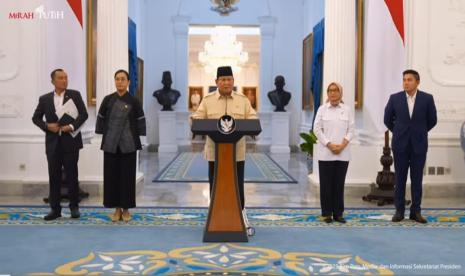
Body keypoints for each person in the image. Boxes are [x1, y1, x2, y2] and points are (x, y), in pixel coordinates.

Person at [191, 66, 257, 220]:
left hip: (237, 154)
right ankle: (215, 218)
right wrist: (195, 121)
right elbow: (198, 119)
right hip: (215, 154)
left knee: (237, 186)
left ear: (233, 81)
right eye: (223, 80)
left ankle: (240, 218)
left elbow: (253, 119)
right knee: (215, 186)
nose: (226, 83)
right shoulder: (207, 101)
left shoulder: (243, 100)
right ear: (216, 82)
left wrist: (249, 124)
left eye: (229, 79)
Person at [32, 69, 88, 220]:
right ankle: (54, 209)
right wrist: (47, 126)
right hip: (52, 144)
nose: (64, 80)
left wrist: (70, 127)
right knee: (54, 177)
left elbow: (84, 114)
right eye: (61, 78)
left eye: (66, 77)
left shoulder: (74, 95)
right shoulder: (44, 99)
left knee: (72, 176)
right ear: (53, 81)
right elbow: (35, 118)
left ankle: (74, 207)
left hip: (71, 142)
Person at [384, 69, 437, 224]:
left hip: (419, 145)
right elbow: (387, 119)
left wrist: (419, 132)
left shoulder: (427, 99)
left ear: (417, 82)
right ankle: (399, 211)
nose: (406, 82)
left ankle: (416, 211)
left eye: (409, 80)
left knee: (417, 179)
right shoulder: (395, 98)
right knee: (399, 179)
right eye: (404, 80)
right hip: (400, 145)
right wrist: (399, 131)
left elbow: (432, 120)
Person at [96, 69, 146, 222]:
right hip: (111, 145)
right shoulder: (108, 99)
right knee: (112, 178)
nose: (120, 82)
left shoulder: (134, 101)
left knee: (127, 178)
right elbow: (101, 119)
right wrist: (108, 134)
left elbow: (140, 121)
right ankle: (116, 209)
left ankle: (126, 209)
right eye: (117, 79)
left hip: (128, 145)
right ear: (115, 81)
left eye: (123, 79)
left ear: (128, 82)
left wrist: (137, 138)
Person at [313, 82, 354, 223]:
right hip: (326, 153)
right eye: (330, 90)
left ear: (340, 93)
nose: (333, 93)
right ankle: (326, 213)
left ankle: (338, 213)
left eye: (336, 90)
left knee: (339, 184)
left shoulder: (347, 110)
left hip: (343, 153)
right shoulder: (322, 109)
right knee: (326, 184)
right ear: (327, 93)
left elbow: (351, 129)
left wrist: (342, 145)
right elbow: (317, 129)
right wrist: (329, 145)